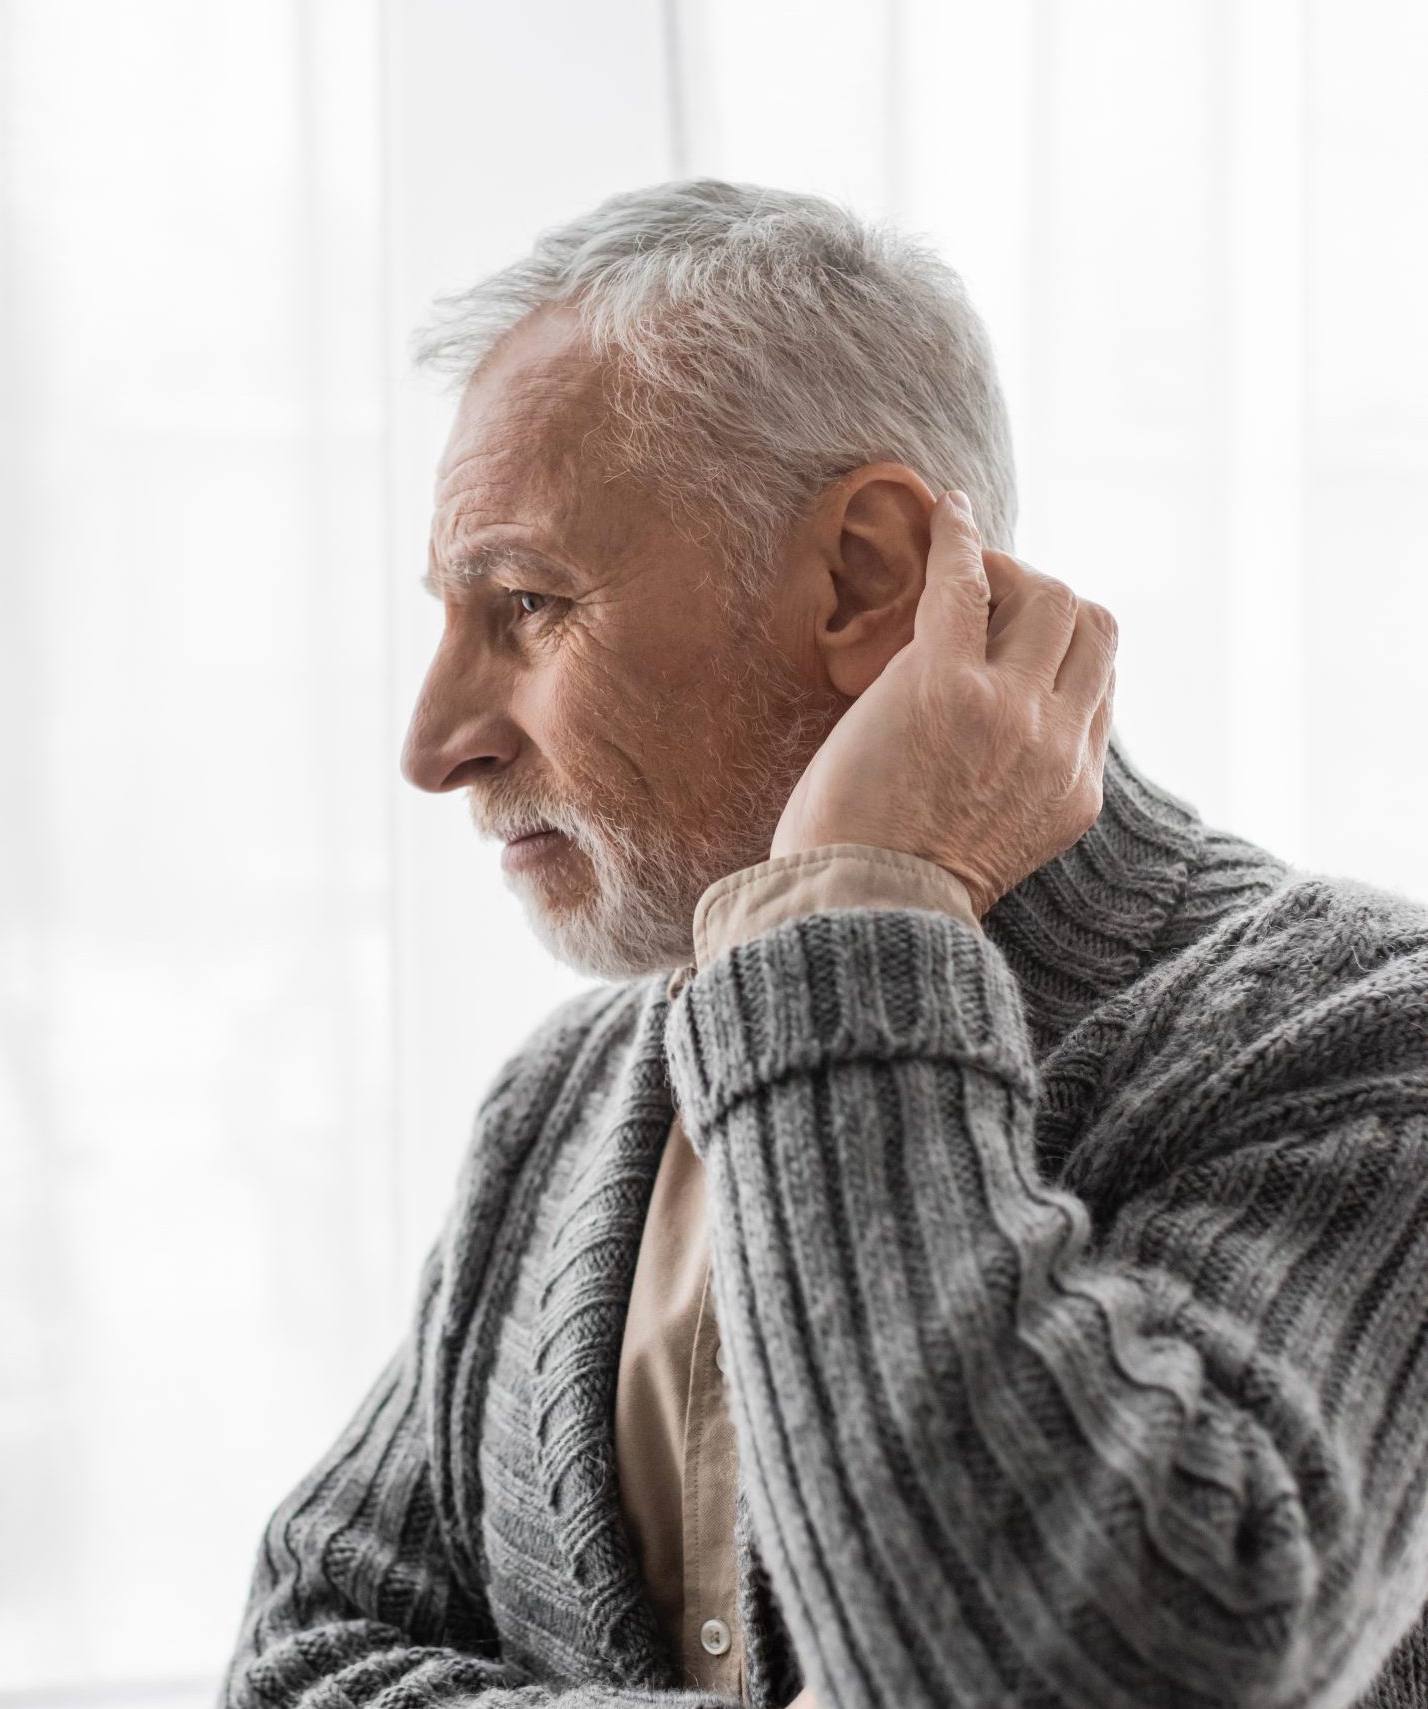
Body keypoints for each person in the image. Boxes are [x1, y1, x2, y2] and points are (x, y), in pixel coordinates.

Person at [215, 180, 1428, 1709]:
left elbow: (1106, 1670)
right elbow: (297, 1658)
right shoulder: (566, 1093)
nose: (434, 741)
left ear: (864, 572)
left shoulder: (1371, 1045)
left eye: (523, 605)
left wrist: (862, 910)